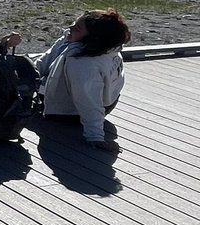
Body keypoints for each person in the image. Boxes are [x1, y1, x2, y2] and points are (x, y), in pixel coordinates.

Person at [33, 9, 129, 152]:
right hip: (109, 101)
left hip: (70, 113)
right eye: (73, 24)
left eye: (76, 28)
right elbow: (45, 61)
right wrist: (28, 71)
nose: (69, 29)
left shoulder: (83, 64)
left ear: (93, 38)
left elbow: (89, 101)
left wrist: (95, 136)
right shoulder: (107, 46)